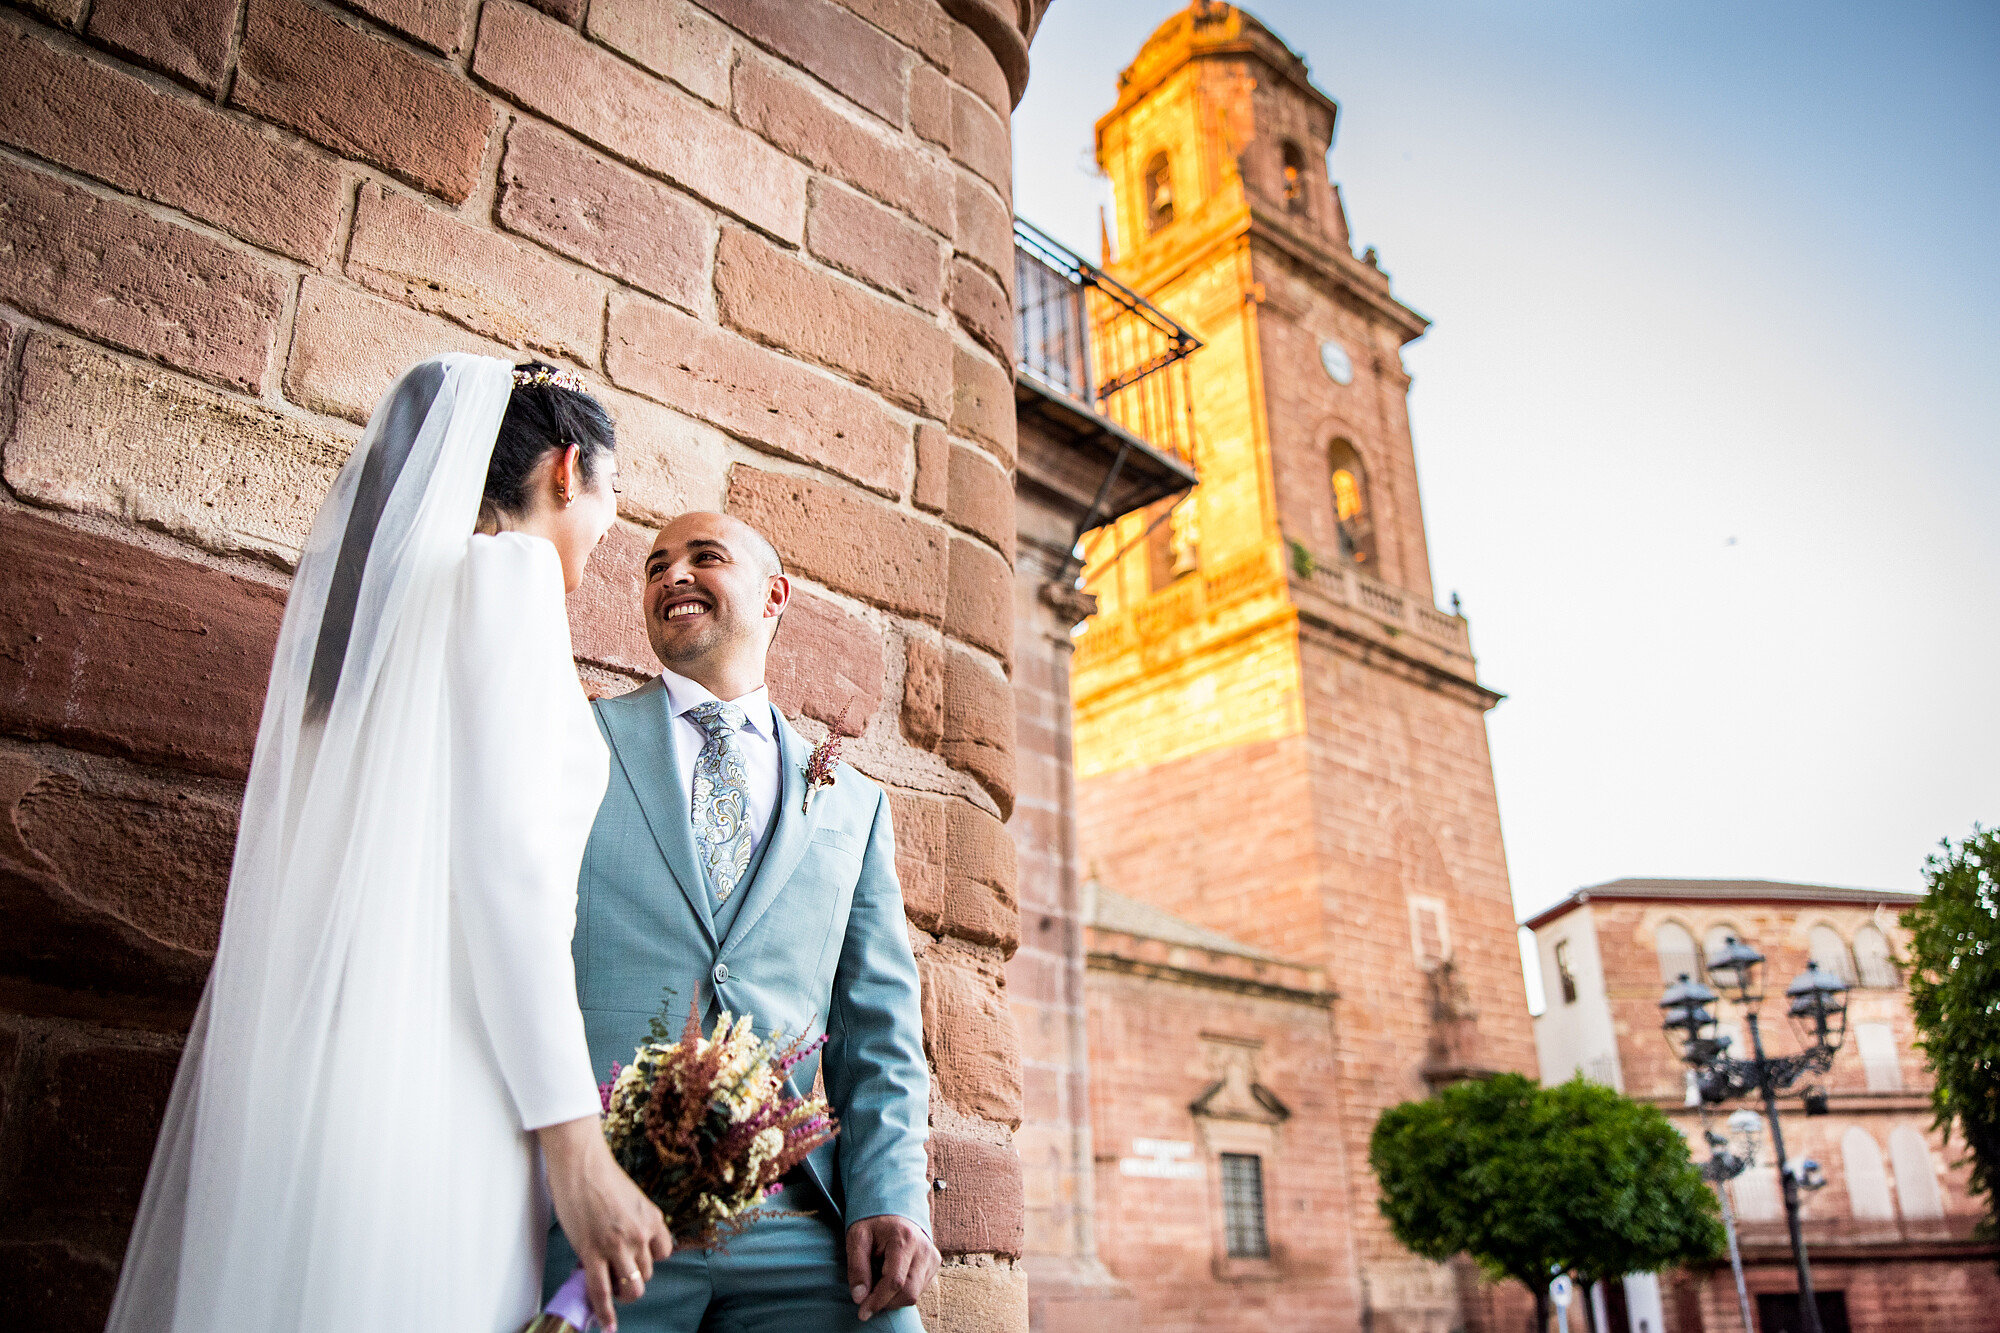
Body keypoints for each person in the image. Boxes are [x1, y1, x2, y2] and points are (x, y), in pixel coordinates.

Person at [107, 356, 672, 1333]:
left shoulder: (369, 638)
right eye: (615, 489)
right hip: (436, 1093)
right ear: (567, 470)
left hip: (325, 1077)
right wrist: (574, 1150)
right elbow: (512, 875)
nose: (615, 520)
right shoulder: (509, 573)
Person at [544, 511, 940, 1331]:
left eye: (704, 557)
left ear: (774, 596)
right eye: (656, 566)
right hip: (614, 1216)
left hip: (805, 1227)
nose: (672, 575)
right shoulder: (574, 743)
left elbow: (880, 1031)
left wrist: (893, 1195)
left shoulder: (854, 807)